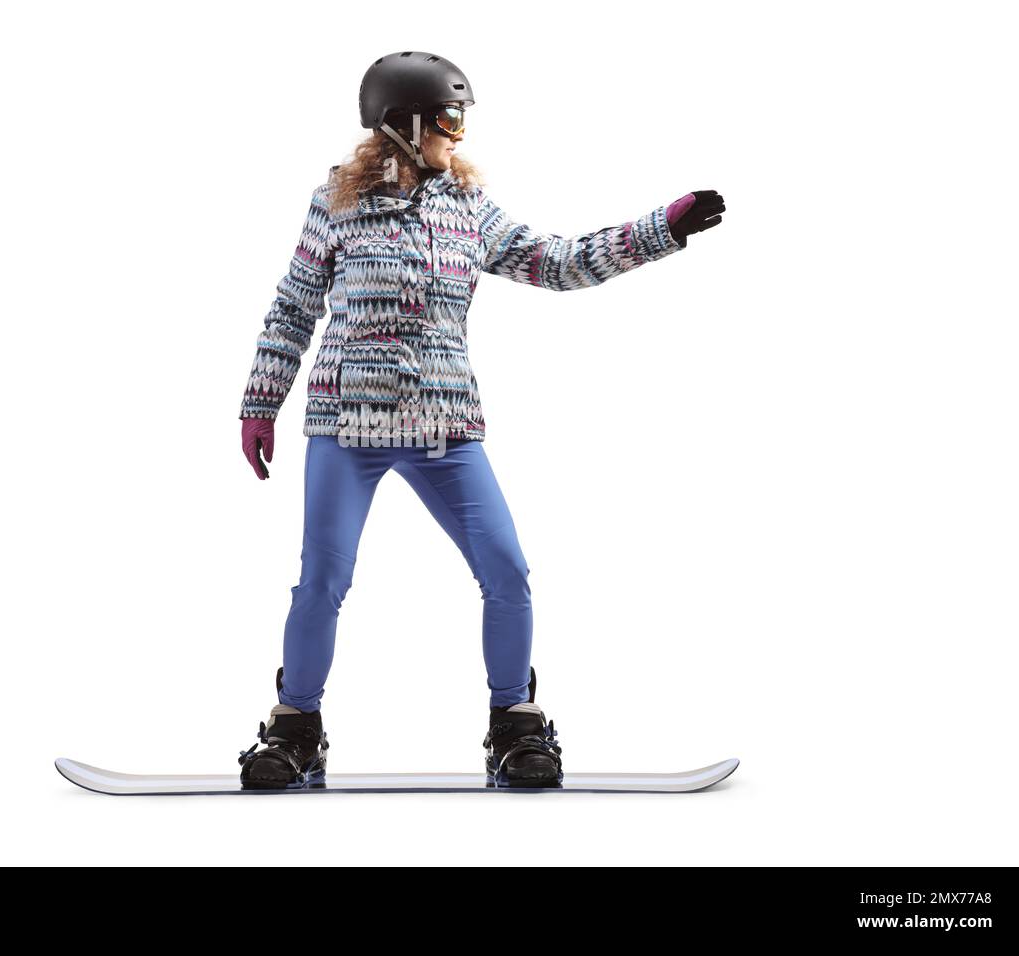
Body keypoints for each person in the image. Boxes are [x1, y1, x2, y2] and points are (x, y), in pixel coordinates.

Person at [235, 51, 725, 789]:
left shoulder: (468, 211)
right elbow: (295, 306)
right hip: (347, 427)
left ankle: (514, 724)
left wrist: (662, 230)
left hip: (444, 429)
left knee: (506, 571)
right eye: (449, 118)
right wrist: (261, 401)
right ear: (404, 125)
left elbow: (559, 262)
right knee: (322, 580)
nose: (459, 134)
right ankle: (295, 728)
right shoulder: (334, 202)